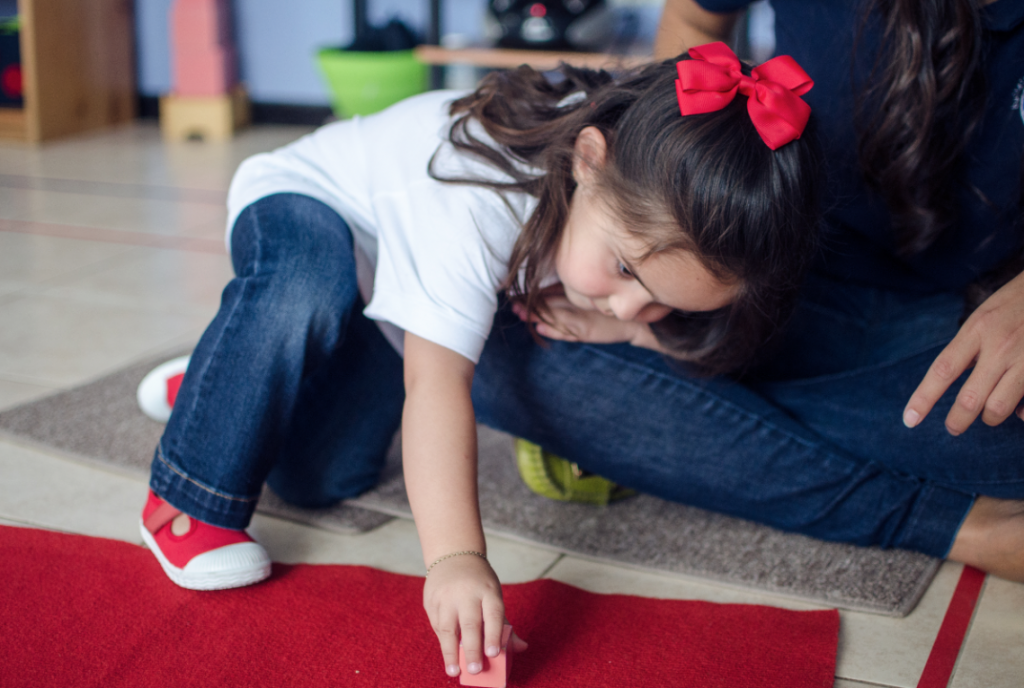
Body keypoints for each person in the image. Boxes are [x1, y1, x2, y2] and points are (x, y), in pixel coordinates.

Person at [138, 49, 822, 678]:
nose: (625, 308)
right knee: (307, 284)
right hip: (311, 201)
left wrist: (629, 326)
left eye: (662, 302)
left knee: (321, 477)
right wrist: (459, 560)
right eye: (622, 271)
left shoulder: (639, 177)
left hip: (390, 274)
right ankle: (186, 497)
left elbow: (633, 301)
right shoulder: (475, 204)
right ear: (588, 159)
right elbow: (436, 387)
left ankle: (222, 379)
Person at [482, 0, 1024, 583]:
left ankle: (679, 431)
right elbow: (694, 25)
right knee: (495, 352)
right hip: (751, 281)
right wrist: (669, 215)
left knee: (1000, 433)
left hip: (975, 306)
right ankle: (953, 524)